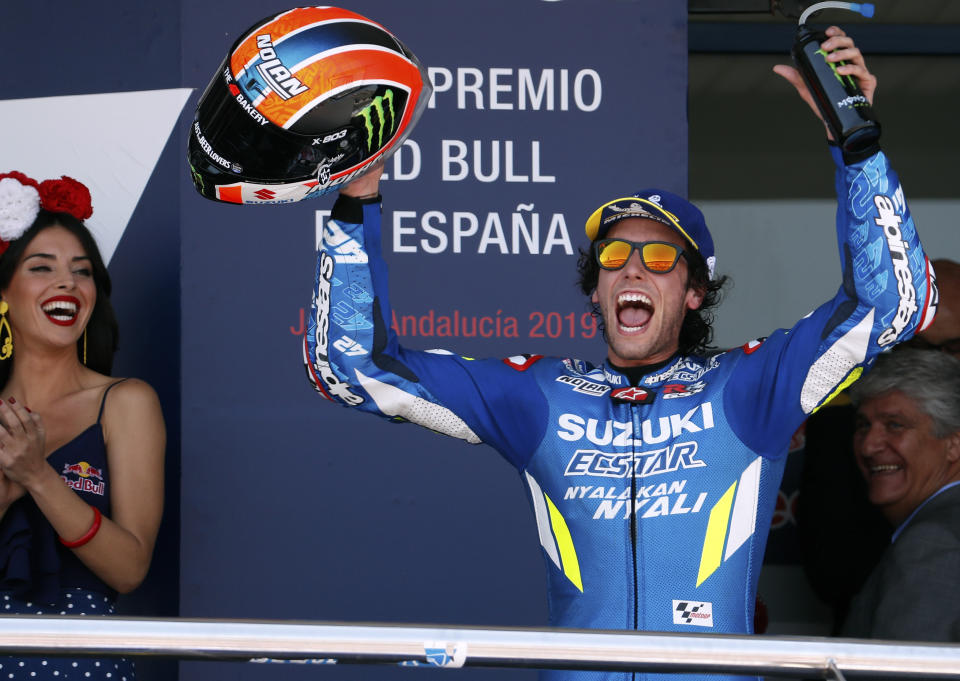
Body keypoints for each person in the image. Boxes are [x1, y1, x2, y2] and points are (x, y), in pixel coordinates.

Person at [304, 27, 937, 681]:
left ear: (693, 291)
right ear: (597, 285)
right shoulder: (537, 395)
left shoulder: (748, 388)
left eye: (659, 256)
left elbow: (892, 307)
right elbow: (352, 370)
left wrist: (856, 146)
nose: (632, 269)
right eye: (614, 255)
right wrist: (358, 200)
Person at [0, 171, 166, 680]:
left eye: (82, 270)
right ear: (3, 292)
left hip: (77, 665)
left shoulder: (125, 402)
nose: (67, 282)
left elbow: (130, 569)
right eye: (42, 267)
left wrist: (38, 475)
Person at [796, 257, 960, 635]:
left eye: (953, 348)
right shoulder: (844, 418)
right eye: (915, 348)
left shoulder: (932, 545)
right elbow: (832, 573)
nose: (870, 445)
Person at [838, 349, 960, 642]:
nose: (868, 446)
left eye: (895, 425)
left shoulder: (933, 543)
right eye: (863, 425)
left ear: (954, 445)